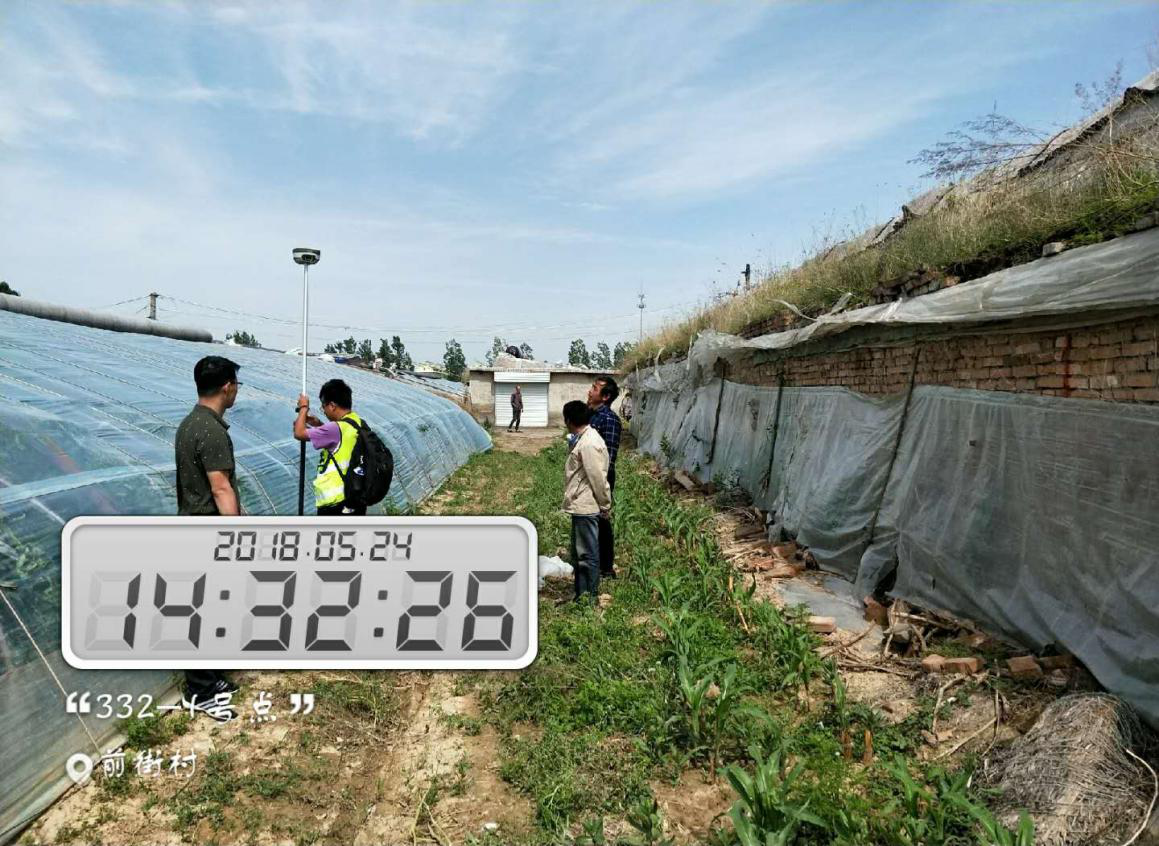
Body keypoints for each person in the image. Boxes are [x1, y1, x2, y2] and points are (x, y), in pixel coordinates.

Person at [174, 355, 242, 722]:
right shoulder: (212, 430)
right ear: (227, 386)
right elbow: (220, 488)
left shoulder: (189, 424)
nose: (236, 391)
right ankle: (200, 690)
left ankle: (210, 677)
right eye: (236, 385)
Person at [294, 378, 368, 515]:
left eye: (323, 406)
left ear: (332, 405)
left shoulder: (335, 429)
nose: (323, 410)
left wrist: (303, 408)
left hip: (336, 503)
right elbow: (339, 440)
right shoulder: (357, 422)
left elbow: (299, 433)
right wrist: (318, 424)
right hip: (355, 499)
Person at [562, 400, 611, 602]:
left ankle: (588, 598)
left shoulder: (589, 443)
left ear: (568, 420)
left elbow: (597, 477)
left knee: (587, 555)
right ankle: (581, 594)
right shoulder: (584, 438)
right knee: (580, 554)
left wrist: (605, 504)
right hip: (581, 503)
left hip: (587, 505)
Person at [587, 376, 622, 580]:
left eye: (594, 388)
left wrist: (601, 485)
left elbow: (608, 457)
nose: (590, 391)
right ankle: (591, 561)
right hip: (588, 475)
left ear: (606, 396)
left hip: (601, 477)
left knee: (601, 519)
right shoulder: (592, 415)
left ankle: (606, 568)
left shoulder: (609, 420)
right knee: (588, 517)